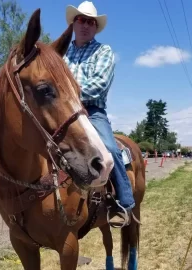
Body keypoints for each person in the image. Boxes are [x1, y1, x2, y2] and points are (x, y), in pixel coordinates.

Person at [64, 1, 135, 227]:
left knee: (110, 148)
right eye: (81, 20)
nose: (85, 25)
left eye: (90, 22)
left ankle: (123, 202)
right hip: (63, 110)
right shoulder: (61, 53)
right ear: (73, 23)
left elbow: (99, 84)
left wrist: (66, 91)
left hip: (92, 111)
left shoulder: (103, 51)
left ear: (95, 27)